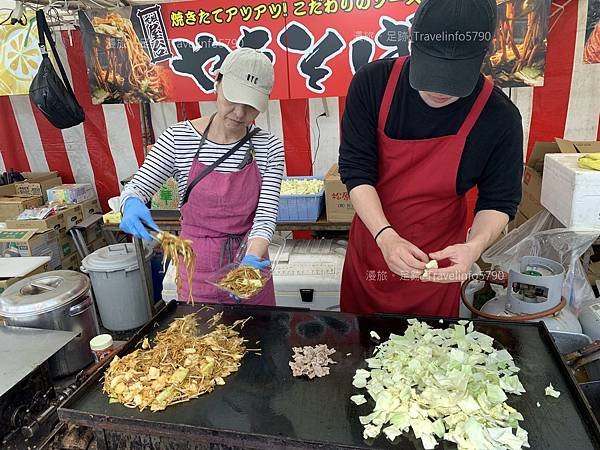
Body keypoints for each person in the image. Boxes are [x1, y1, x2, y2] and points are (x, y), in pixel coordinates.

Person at [338, 0, 523, 316]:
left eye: (454, 77)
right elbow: (356, 170)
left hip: (439, 261)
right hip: (374, 245)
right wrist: (385, 236)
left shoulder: (499, 117)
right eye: (432, 70)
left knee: (432, 353)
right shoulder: (372, 84)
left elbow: (499, 200)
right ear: (413, 38)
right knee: (359, 350)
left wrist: (474, 248)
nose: (441, 89)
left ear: (484, 55)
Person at [119, 48, 285, 305]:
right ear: (217, 82)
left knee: (257, 337)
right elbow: (137, 188)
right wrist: (130, 203)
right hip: (196, 265)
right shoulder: (178, 139)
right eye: (233, 99)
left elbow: (265, 216)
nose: (240, 113)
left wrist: (251, 263)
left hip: (249, 259)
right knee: (198, 338)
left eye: (251, 105)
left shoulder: (269, 147)